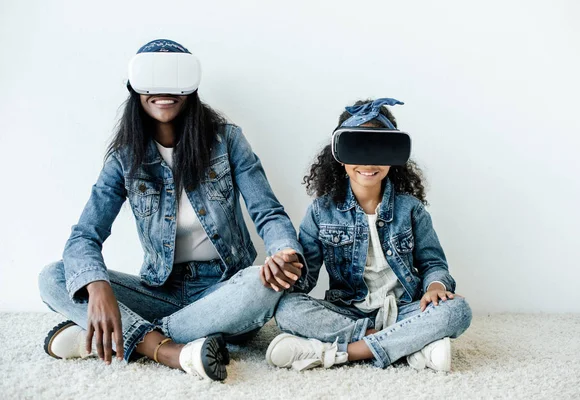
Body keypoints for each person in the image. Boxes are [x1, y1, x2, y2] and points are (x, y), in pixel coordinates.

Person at [38, 39, 304, 381]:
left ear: (191, 86)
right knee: (54, 276)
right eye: (152, 79)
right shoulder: (123, 159)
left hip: (222, 291)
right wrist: (96, 284)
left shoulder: (228, 141)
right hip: (159, 290)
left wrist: (284, 251)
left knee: (264, 282)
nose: (163, 92)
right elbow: (84, 236)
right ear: (134, 87)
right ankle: (171, 351)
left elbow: (268, 213)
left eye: (174, 78)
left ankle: (124, 339)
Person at [265, 98, 472, 372]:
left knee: (458, 310)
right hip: (347, 311)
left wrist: (436, 287)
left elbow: (433, 264)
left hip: (404, 309)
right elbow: (304, 282)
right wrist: (287, 263)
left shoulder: (410, 209)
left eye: (379, 149)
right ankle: (411, 347)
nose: (368, 162)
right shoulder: (321, 211)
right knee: (287, 308)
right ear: (339, 155)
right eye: (358, 148)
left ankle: (343, 353)